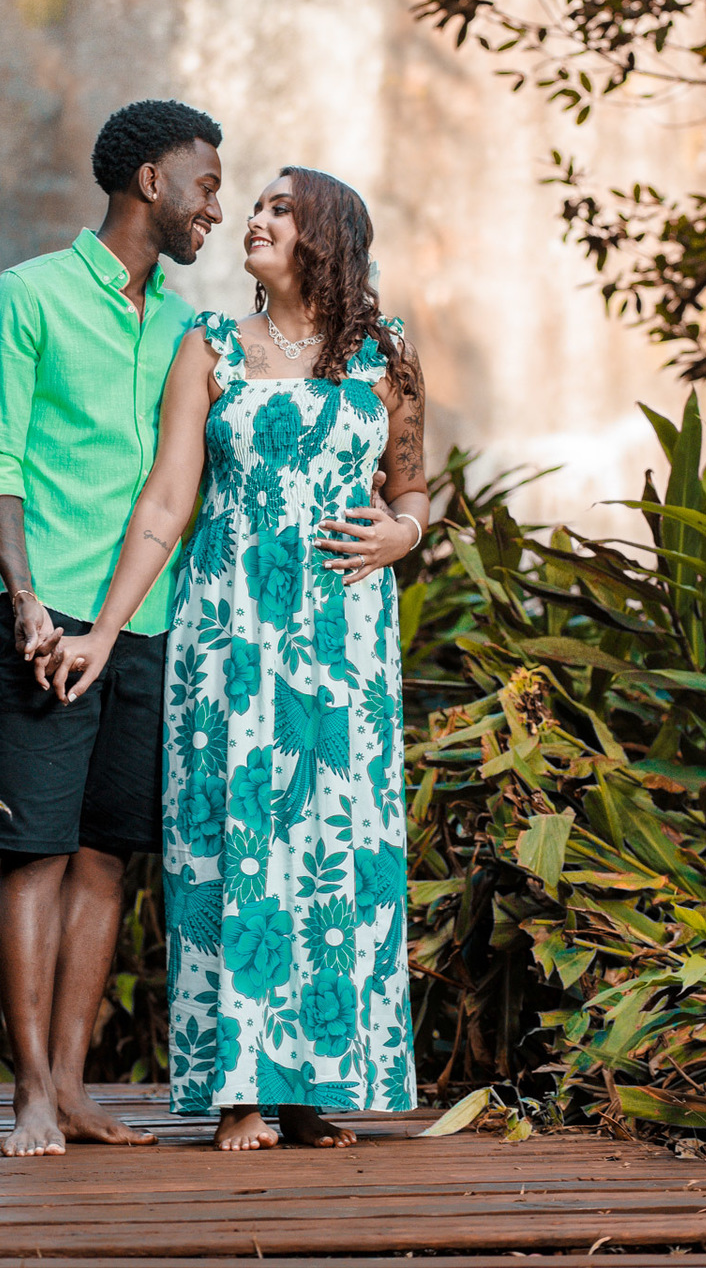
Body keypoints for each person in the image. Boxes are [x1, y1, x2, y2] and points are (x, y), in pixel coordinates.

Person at [50, 166, 428, 1150]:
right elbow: (167, 499)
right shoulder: (210, 345)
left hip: (344, 641)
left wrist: (404, 534)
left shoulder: (386, 352)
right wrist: (104, 629)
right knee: (234, 839)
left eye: (279, 209)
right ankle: (240, 1092)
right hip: (229, 634)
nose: (253, 219)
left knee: (332, 844)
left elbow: (411, 487)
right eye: (255, 206)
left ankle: (307, 1089)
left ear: (327, 236)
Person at [0, 98, 224, 1156]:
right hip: (45, 611)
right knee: (34, 850)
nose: (217, 208)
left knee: (108, 855)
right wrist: (22, 595)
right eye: (207, 184)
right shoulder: (23, 298)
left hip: (143, 618)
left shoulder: (187, 328)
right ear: (151, 182)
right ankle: (29, 1091)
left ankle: (72, 1087)